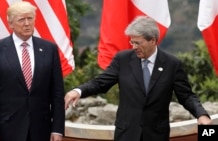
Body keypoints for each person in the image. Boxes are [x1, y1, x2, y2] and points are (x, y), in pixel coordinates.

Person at [64, 16, 212, 141]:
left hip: (156, 135)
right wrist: (78, 91)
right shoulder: (122, 60)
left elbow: (186, 96)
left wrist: (202, 115)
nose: (134, 46)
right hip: (127, 134)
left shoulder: (172, 64)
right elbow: (100, 83)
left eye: (138, 42)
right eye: (132, 42)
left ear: (153, 41)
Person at [0, 1, 65, 141]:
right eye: (21, 19)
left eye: (30, 18)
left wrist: (58, 129)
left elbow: (57, 93)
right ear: (10, 24)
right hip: (6, 130)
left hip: (41, 130)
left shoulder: (49, 49)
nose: (27, 23)